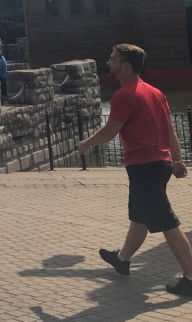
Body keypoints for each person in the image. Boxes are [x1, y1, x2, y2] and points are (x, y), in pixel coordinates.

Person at [79, 44, 192, 296]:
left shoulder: (124, 95)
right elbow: (170, 130)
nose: (108, 63)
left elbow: (110, 131)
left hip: (144, 167)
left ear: (126, 66)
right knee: (140, 217)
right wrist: (176, 160)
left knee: (168, 223)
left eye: (113, 59)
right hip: (159, 164)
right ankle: (122, 259)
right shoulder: (155, 92)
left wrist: (86, 143)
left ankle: (191, 277)